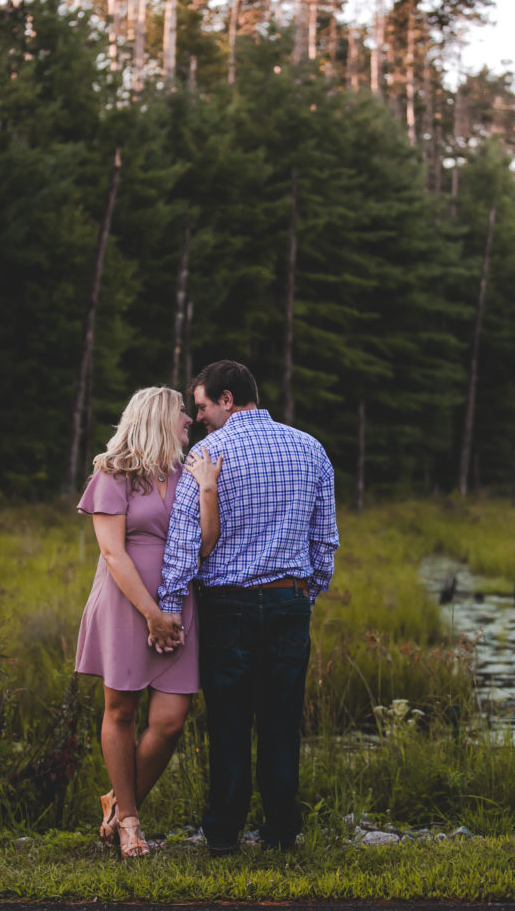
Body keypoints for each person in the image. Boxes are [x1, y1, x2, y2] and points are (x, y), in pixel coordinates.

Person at [157, 360, 339, 855]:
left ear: (228, 400)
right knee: (282, 722)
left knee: (229, 723)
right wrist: (304, 594)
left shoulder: (206, 455)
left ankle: (222, 836)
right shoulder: (310, 448)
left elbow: (182, 541)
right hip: (288, 603)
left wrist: (170, 603)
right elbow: (325, 541)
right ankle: (281, 834)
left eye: (202, 406)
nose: (198, 418)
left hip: (227, 607)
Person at [75, 386, 222, 858]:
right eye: (183, 412)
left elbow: (205, 546)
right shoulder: (114, 472)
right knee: (121, 710)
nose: (190, 420)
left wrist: (207, 489)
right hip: (126, 603)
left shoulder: (186, 473)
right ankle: (130, 824)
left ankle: (118, 801)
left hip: (178, 604)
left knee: (171, 720)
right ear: (161, 417)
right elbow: (113, 553)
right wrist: (150, 614)